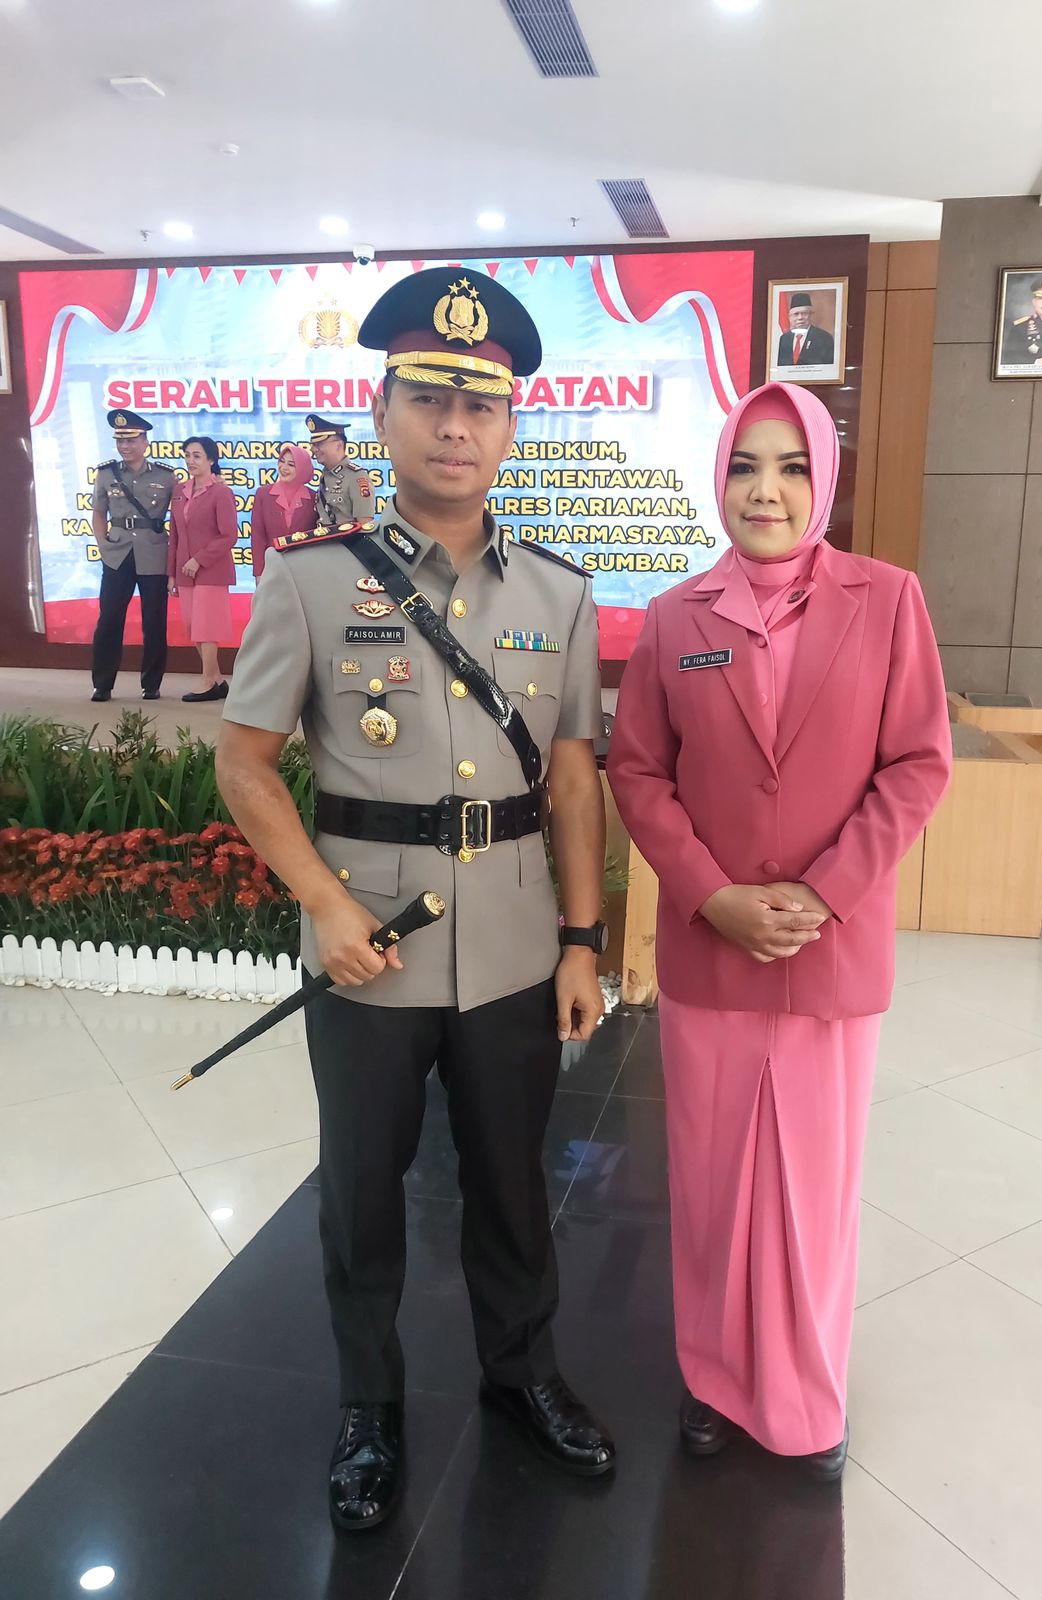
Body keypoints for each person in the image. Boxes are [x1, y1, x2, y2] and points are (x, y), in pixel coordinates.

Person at [215, 266, 615, 1533]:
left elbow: (573, 778)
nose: (455, 426)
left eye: (481, 404)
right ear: (384, 412)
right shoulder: (309, 580)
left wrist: (584, 939)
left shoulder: (559, 593)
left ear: (510, 425)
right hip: (368, 950)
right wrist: (324, 906)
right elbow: (244, 764)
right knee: (361, 1193)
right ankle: (369, 1406)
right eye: (431, 399)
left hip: (511, 950)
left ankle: (522, 1373)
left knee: (511, 1184)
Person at [607, 381, 951, 1478]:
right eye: (746, 466)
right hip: (711, 951)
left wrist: (828, 890)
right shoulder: (677, 616)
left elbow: (918, 763)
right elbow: (638, 771)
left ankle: (805, 1393)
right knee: (712, 1182)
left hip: (826, 951)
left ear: (824, 480)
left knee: (811, 1187)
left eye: (792, 466)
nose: (767, 491)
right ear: (719, 478)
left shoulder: (887, 600)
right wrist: (710, 893)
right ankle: (713, 1377)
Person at [88, 408, 176, 703]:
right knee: (110, 618)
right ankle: (102, 684)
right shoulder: (106, 474)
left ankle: (151, 684)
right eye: (120, 440)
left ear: (145, 442)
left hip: (153, 553)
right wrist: (102, 545)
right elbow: (98, 512)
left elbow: (179, 515)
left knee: (154, 621)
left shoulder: (166, 476)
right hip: (117, 553)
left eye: (131, 440)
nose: (125, 446)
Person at [169, 436, 239, 703]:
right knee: (192, 627)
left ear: (211, 459)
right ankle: (218, 680)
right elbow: (174, 535)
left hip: (211, 569)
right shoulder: (179, 491)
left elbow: (228, 535)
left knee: (206, 627)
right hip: (184, 572)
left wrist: (199, 559)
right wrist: (172, 574)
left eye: (196, 455)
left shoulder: (221, 492)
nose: (190, 460)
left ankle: (207, 681)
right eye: (187, 455)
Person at [249, 443, 318, 578]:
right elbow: (258, 536)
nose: (284, 468)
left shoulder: (314, 498)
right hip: (272, 569)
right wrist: (259, 573)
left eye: (291, 464)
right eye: (282, 461)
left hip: (303, 570)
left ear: (302, 469)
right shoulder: (263, 494)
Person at [306, 413, 375, 527]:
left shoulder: (356, 476)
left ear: (338, 445)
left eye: (319, 444)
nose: (313, 449)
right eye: (313, 445)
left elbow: (365, 526)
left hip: (347, 539)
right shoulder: (325, 476)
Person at [775, 292, 835, 367]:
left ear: (810, 315)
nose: (800, 317)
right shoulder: (784, 339)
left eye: (804, 313)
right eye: (796, 314)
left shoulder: (824, 338)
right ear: (790, 317)